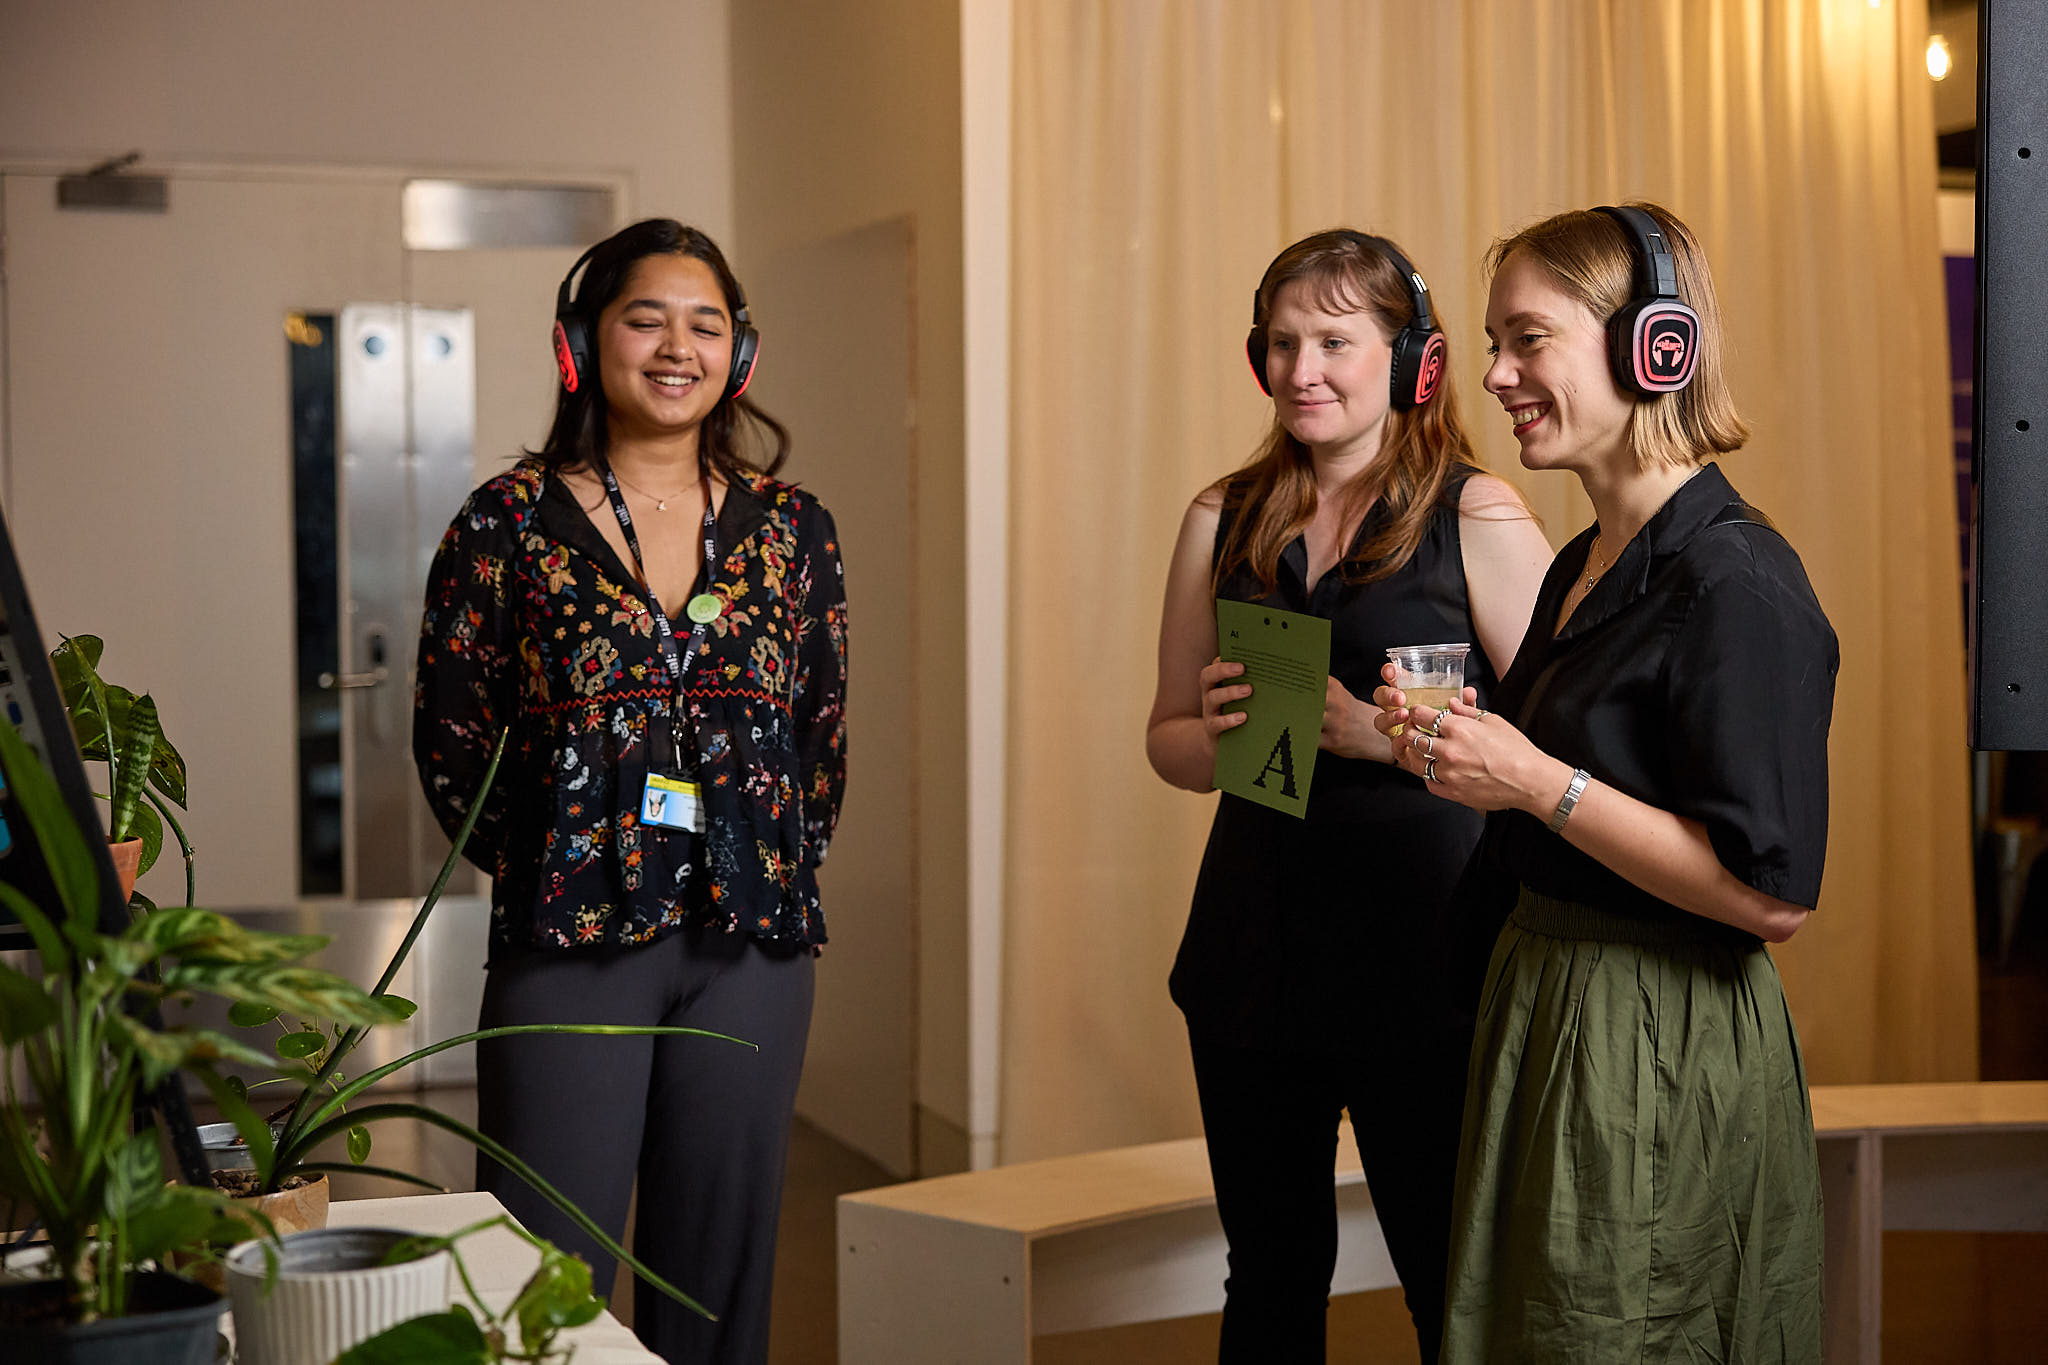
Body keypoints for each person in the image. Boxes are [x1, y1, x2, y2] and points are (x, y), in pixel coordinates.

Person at [1374, 203, 1836, 1362]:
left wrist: (1534, 782)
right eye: (1492, 343)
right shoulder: (1583, 562)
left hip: (1654, 1043)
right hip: (1550, 1013)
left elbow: (1767, 894)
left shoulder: (1736, 582)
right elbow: (1572, 783)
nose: (1492, 374)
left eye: (1526, 340)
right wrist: (1478, 760)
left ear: (1656, 349)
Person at [412, 218, 848, 1365]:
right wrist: (566, 853)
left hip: (751, 945)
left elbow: (818, 732)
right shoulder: (503, 525)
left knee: (720, 1284)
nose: (675, 347)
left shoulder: (795, 531)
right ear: (582, 342)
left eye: (704, 324)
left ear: (736, 357)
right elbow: (454, 742)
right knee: (539, 1280)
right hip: (569, 936)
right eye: (644, 317)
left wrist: (768, 855)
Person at [1145, 229, 1553, 1363]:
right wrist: (1225, 738)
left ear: (1413, 363)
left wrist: (1381, 736)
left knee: (1442, 1269)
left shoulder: (1480, 518)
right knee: (1268, 1272)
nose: (1300, 371)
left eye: (1333, 341)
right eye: (1280, 344)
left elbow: (1554, 761)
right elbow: (1166, 739)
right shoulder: (1220, 516)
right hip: (1250, 954)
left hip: (1426, 963)